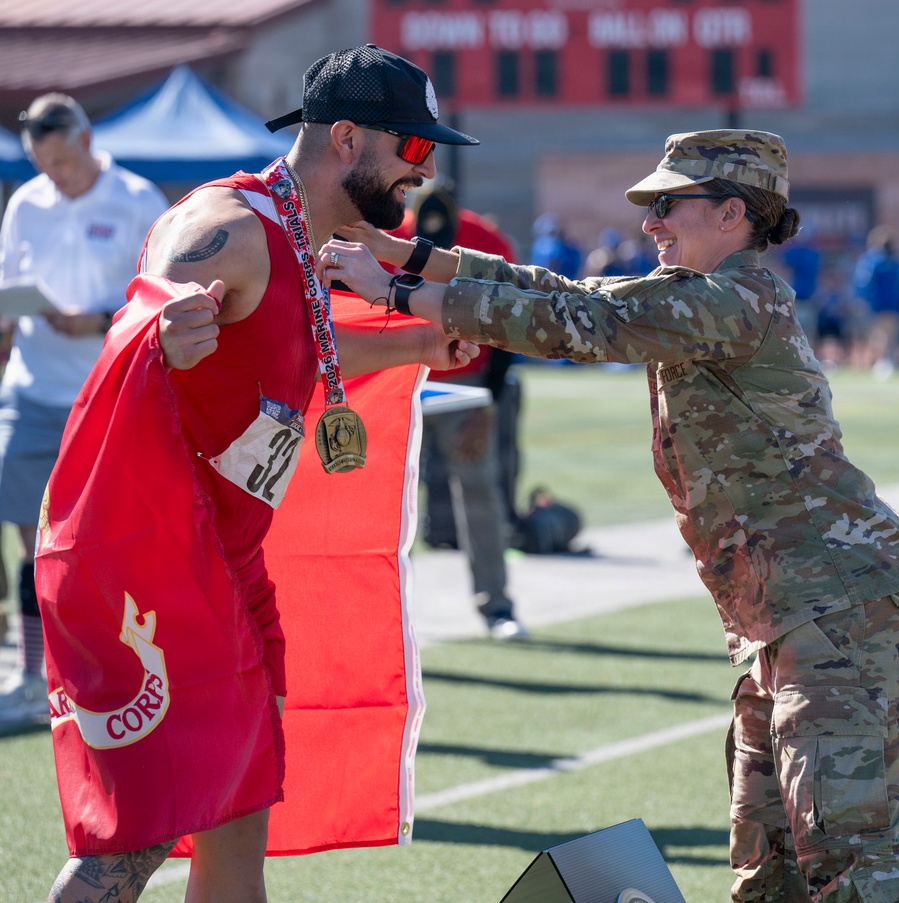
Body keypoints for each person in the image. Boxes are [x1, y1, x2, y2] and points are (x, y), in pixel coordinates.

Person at [327, 129, 899, 903]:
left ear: (733, 214)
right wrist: (405, 254)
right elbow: (562, 293)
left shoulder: (735, 300)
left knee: (851, 855)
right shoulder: (696, 295)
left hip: (841, 610)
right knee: (769, 862)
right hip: (782, 619)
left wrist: (394, 294)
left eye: (668, 204)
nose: (651, 222)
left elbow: (585, 326)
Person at [35, 45, 480, 903]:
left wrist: (421, 343)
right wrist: (163, 331)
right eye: (413, 151)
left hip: (228, 576)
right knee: (136, 840)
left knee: (237, 825)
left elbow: (291, 348)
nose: (421, 177)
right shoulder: (231, 225)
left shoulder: (301, 237)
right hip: (156, 577)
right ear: (346, 139)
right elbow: (153, 303)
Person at [0, 93, 168, 725]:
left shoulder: (138, 199)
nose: (54, 176)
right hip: (32, 389)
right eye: (43, 165)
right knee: (29, 539)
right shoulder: (25, 203)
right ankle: (32, 675)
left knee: (103, 542)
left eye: (62, 163)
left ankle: (112, 672)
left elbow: (158, 297)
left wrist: (95, 321)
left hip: (107, 396)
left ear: (88, 141)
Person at [396, 185, 527, 638]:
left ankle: (496, 605)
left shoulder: (484, 239)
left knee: (479, 491)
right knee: (389, 500)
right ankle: (387, 613)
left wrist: (489, 396)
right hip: (399, 384)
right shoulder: (384, 235)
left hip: (467, 388)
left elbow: (512, 318)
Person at [851, 225, 899, 375]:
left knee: (883, 335)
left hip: (882, 305)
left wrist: (862, 299)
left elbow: (863, 282)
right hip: (888, 305)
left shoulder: (875, 260)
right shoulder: (895, 260)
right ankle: (886, 362)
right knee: (886, 335)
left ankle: (885, 362)